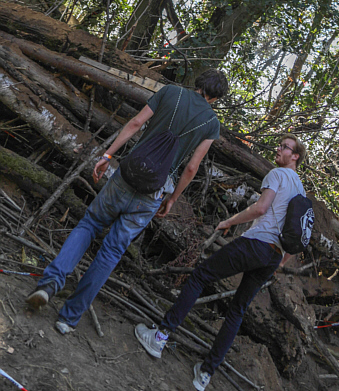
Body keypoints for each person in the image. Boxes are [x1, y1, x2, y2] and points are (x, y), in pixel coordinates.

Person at [26, 69, 228, 333]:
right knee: (111, 251)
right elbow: (191, 168)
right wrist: (172, 199)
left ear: (198, 84)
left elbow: (135, 124)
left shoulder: (170, 92)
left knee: (89, 225)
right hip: (152, 194)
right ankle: (68, 318)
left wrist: (107, 156)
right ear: (216, 98)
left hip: (126, 177)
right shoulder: (211, 123)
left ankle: (49, 284)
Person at [135, 133, 307, 391]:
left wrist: (229, 221)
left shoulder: (277, 174)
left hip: (256, 243)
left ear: (295, 156)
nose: (279, 149)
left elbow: (261, 208)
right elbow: (301, 233)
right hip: (273, 256)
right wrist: (282, 261)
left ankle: (160, 337)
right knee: (238, 310)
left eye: (285, 147)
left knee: (200, 276)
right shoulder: (301, 190)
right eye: (280, 145)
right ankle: (205, 374)